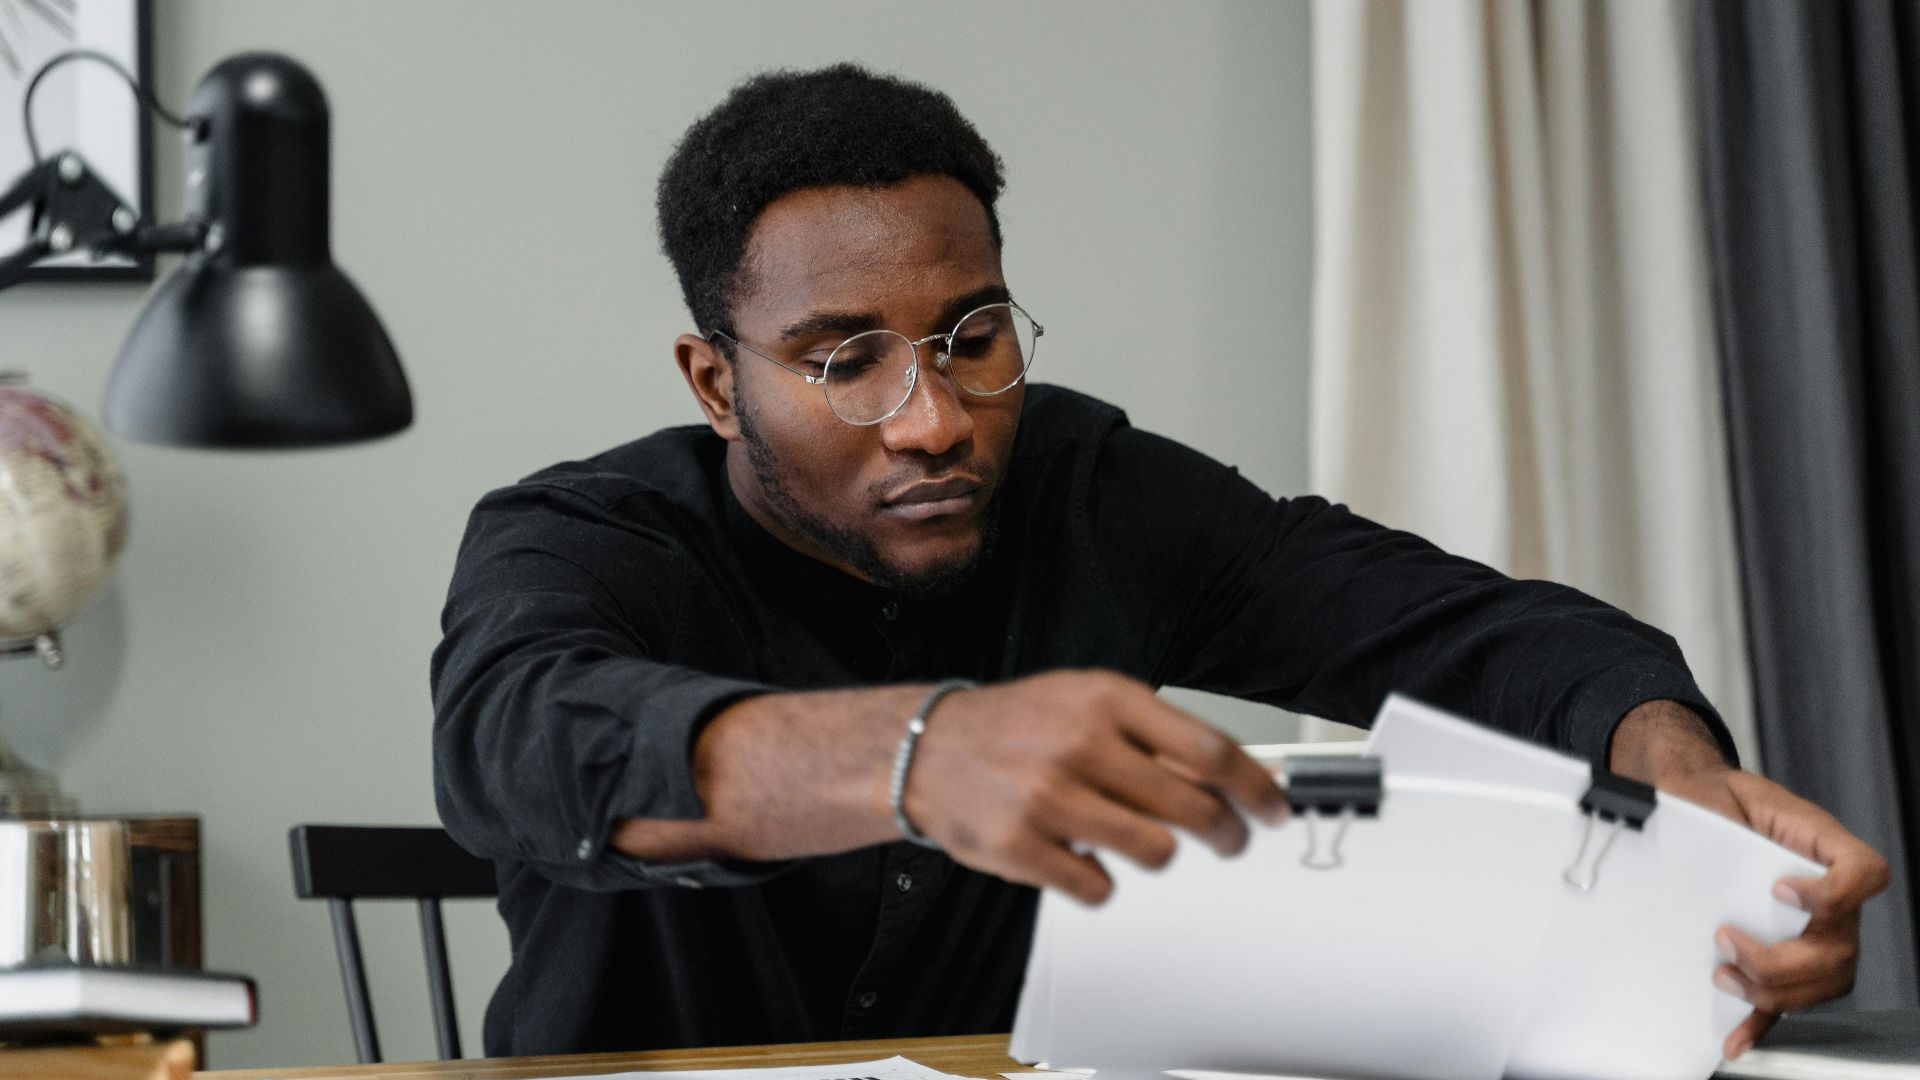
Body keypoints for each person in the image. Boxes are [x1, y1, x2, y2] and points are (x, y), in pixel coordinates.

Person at [431, 63, 1887, 1062]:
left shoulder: (1091, 490)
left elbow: (1471, 633)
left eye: (970, 339)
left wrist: (1678, 785)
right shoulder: (579, 539)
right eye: (841, 361)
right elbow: (516, 744)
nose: (932, 420)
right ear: (711, 379)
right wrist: (923, 755)